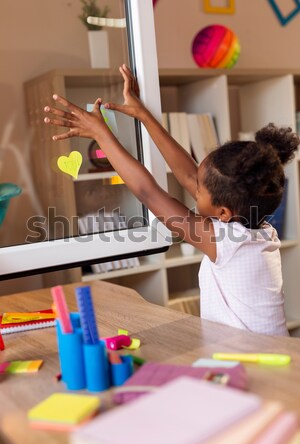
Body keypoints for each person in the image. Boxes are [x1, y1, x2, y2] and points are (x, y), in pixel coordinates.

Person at [44, 64, 300, 336]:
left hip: (259, 360)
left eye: (199, 190)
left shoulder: (228, 242)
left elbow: (149, 193)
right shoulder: (257, 230)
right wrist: (143, 115)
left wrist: (101, 135)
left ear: (223, 212)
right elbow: (188, 174)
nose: (193, 187)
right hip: (262, 350)